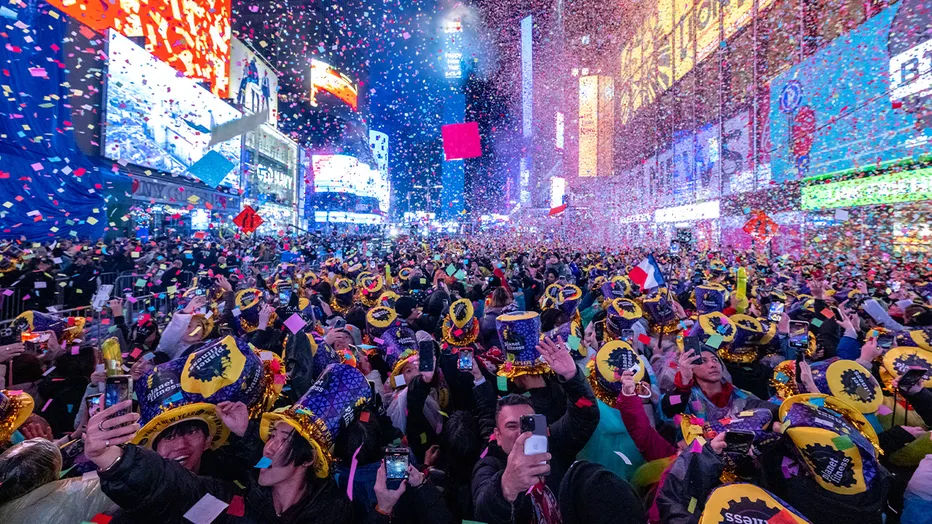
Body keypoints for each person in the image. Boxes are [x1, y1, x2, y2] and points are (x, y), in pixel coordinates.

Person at [472, 336, 600, 524]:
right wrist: (507, 487)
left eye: (528, 423)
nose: (521, 434)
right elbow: (483, 510)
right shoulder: (489, 465)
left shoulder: (551, 443)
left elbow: (585, 415)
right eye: (511, 426)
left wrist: (572, 377)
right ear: (497, 435)